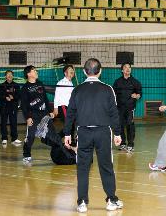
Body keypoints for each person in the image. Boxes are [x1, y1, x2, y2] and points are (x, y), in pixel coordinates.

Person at [64, 58, 123, 213]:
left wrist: (67, 134)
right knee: (106, 166)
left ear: (84, 72)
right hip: (103, 132)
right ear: (100, 71)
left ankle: (82, 202)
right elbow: (114, 113)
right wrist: (117, 133)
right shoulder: (108, 89)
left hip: (83, 132)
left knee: (82, 167)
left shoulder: (77, 89)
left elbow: (70, 113)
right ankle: (111, 200)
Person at [20, 65, 54, 164]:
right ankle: (26, 155)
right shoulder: (25, 88)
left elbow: (45, 99)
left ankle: (56, 153)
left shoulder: (40, 84)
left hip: (44, 113)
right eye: (34, 71)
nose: (36, 72)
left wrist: (50, 111)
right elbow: (24, 105)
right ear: (29, 74)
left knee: (52, 134)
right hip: (33, 114)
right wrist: (28, 117)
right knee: (30, 135)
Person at [112, 62, 142, 152]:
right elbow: (113, 94)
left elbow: (139, 94)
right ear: (122, 70)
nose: (128, 69)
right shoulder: (117, 82)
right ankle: (123, 143)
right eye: (125, 67)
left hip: (130, 108)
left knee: (130, 125)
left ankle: (131, 144)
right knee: (120, 125)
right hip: (119, 108)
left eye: (129, 67)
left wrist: (136, 95)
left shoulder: (135, 82)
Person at [0, 70, 21, 146]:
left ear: (12, 76)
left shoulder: (16, 85)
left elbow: (18, 96)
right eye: (8, 74)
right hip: (4, 107)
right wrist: (5, 97)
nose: (9, 76)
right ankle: (4, 138)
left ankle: (14, 138)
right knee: (3, 123)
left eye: (11, 74)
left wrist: (13, 97)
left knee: (13, 122)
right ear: (5, 76)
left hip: (13, 107)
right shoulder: (2, 85)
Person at [53, 65, 75, 140]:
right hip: (63, 106)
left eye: (73, 70)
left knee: (71, 125)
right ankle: (56, 138)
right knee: (69, 125)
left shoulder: (71, 83)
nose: (72, 71)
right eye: (70, 70)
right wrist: (55, 108)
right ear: (65, 73)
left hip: (70, 107)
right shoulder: (61, 82)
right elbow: (56, 96)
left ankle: (70, 141)